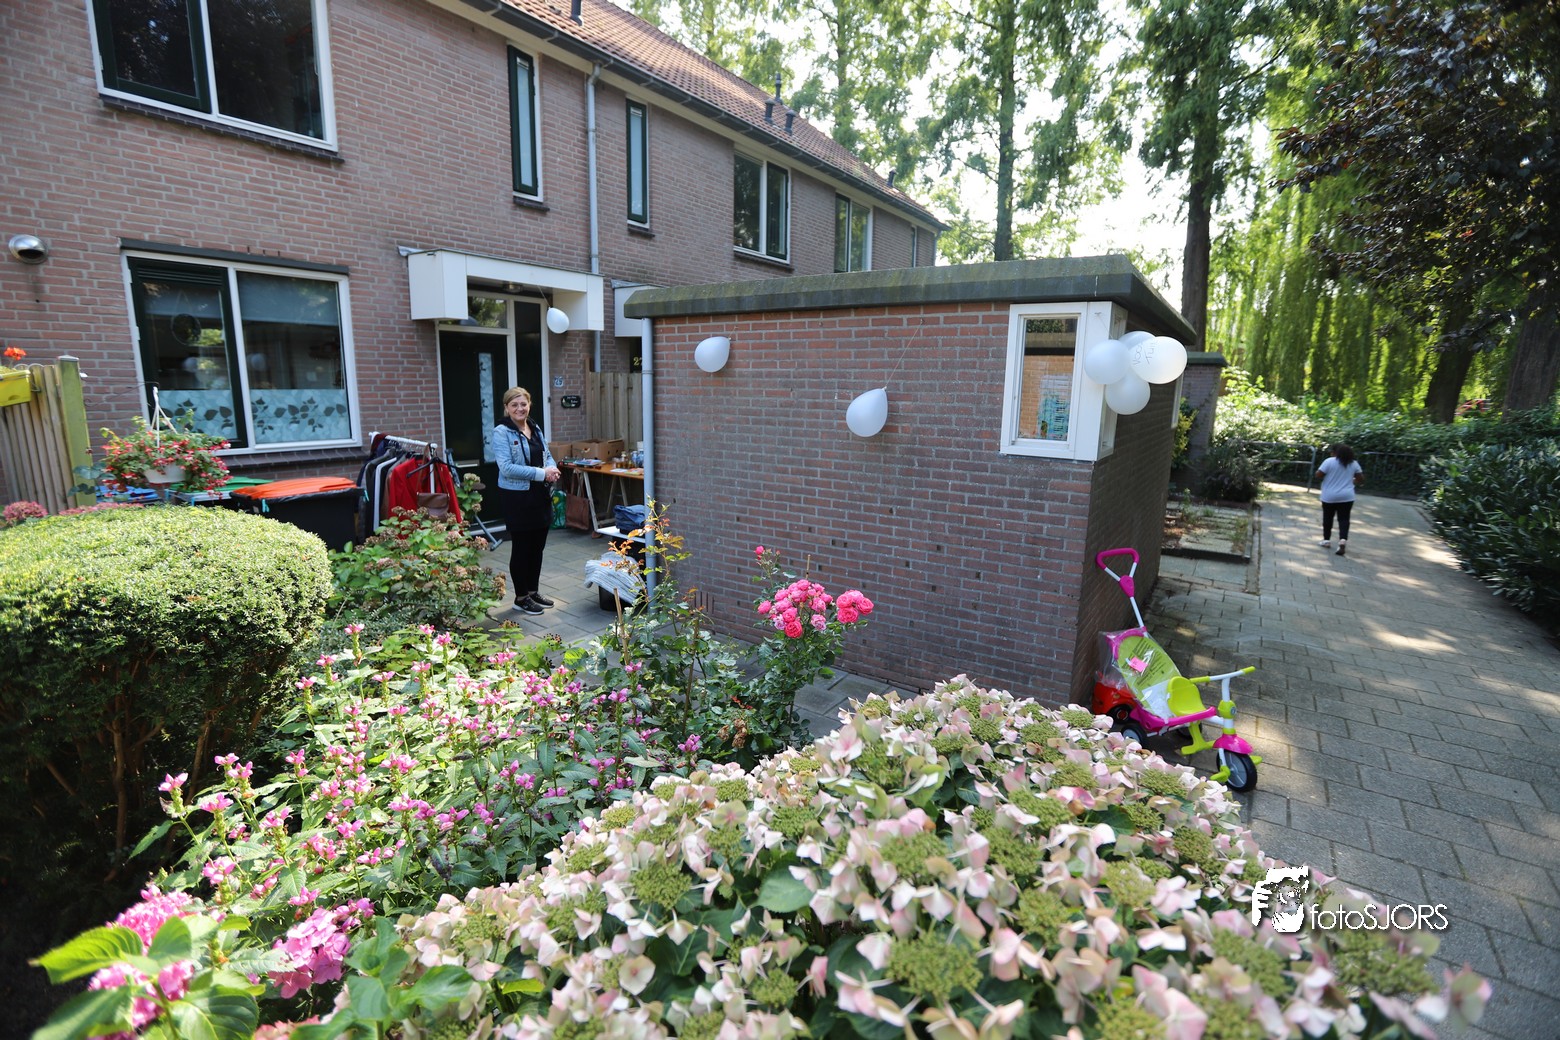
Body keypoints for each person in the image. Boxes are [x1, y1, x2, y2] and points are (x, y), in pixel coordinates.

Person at [492, 387, 561, 614]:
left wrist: (552, 469)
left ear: (529, 405)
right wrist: (542, 473)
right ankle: (521, 598)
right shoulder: (502, 432)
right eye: (514, 405)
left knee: (537, 547)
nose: (520, 408)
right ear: (507, 408)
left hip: (540, 495)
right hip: (517, 498)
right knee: (522, 548)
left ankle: (533, 591)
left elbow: (546, 455)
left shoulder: (535, 427)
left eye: (523, 404)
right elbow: (506, 468)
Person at [1316, 443, 1363, 556]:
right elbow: (1360, 478)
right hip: (1347, 496)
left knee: (1328, 517)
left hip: (1329, 495)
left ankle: (1326, 540)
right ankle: (1342, 540)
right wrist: (1352, 481)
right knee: (1344, 518)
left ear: (1335, 453)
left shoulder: (1329, 461)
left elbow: (1318, 475)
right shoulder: (1354, 463)